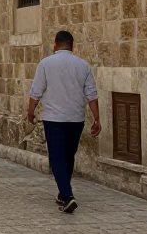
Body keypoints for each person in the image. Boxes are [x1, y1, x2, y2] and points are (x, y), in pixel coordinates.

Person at [27, 30, 100, 214]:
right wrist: (96, 118)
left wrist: (30, 112)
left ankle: (67, 196)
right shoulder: (83, 65)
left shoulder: (45, 64)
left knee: (57, 157)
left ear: (55, 45)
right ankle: (63, 192)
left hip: (54, 119)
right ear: (72, 46)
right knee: (68, 156)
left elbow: (36, 91)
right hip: (76, 118)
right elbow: (91, 93)